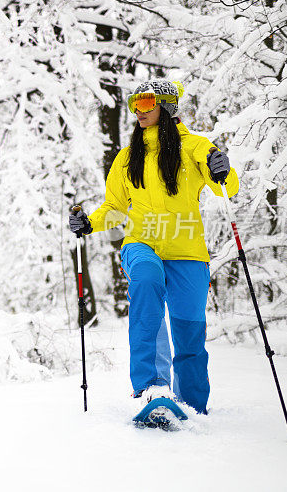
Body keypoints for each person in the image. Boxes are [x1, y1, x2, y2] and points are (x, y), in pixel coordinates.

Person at [68, 79, 238, 414]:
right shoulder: (128, 157)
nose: (138, 111)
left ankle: (190, 404)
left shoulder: (195, 147)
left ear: (168, 107)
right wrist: (90, 222)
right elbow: (114, 207)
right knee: (146, 281)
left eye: (146, 104)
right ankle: (152, 386)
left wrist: (223, 168)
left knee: (189, 331)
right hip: (140, 241)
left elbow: (225, 189)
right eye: (134, 104)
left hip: (187, 251)